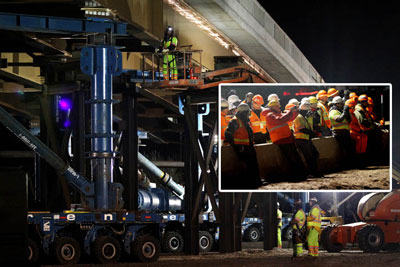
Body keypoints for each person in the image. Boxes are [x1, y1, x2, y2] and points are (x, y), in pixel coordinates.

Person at [262, 99, 307, 181]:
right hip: (281, 139)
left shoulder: (276, 114)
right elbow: (281, 120)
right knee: (291, 158)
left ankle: (301, 174)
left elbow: (289, 118)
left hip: (286, 138)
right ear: (273, 107)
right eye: (278, 106)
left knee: (295, 156)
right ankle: (296, 176)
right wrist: (290, 112)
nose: (279, 107)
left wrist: (295, 112)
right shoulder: (269, 115)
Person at [224, 103, 262, 189]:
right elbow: (228, 134)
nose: (248, 115)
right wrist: (236, 147)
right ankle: (252, 182)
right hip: (243, 147)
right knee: (249, 165)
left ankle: (256, 180)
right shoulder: (235, 121)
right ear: (243, 113)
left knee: (253, 164)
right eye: (247, 113)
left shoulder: (244, 121)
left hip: (248, 146)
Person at [293, 102, 322, 177]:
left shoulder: (302, 117)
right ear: (304, 110)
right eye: (307, 110)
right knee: (310, 157)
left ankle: (314, 172)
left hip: (305, 139)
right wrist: (312, 133)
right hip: (302, 139)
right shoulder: (299, 117)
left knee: (314, 154)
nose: (308, 112)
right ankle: (313, 172)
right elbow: (302, 129)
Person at [329, 96, 354, 165]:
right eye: (341, 104)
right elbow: (339, 120)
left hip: (345, 132)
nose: (342, 105)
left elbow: (349, 120)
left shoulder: (340, 111)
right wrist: (345, 112)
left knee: (349, 148)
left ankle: (351, 163)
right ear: (336, 104)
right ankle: (347, 164)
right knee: (345, 149)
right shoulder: (333, 111)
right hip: (339, 133)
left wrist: (347, 113)